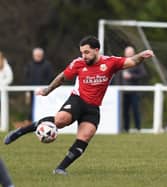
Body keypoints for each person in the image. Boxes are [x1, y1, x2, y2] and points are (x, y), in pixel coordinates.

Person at [4, 36, 154, 175]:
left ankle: (60, 168)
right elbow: (62, 77)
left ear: (96, 50)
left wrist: (142, 55)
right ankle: (20, 132)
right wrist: (47, 90)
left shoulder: (110, 62)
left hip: (93, 107)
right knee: (60, 120)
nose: (84, 55)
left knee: (85, 136)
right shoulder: (78, 63)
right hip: (77, 100)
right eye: (82, 52)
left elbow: (132, 61)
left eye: (87, 52)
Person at [20, 48, 53, 127]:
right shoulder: (29, 65)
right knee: (31, 107)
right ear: (33, 56)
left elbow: (50, 78)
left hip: (44, 91)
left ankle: (44, 123)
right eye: (36, 55)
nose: (38, 57)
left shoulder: (47, 65)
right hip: (32, 92)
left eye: (39, 55)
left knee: (44, 107)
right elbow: (26, 78)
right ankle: (30, 123)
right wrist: (27, 91)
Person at [122, 46, 147, 132]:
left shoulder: (137, 63)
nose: (129, 54)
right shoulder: (120, 62)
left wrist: (131, 76)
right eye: (127, 53)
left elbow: (143, 74)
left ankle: (138, 128)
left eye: (130, 53)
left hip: (134, 91)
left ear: (133, 53)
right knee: (125, 111)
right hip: (123, 92)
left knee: (136, 110)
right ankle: (126, 128)